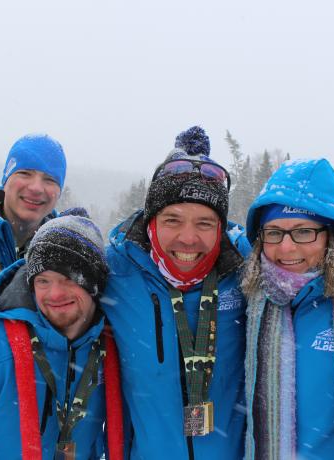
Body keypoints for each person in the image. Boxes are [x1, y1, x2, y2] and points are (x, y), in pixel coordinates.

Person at [102, 126, 250, 460]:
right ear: (151, 222)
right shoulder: (116, 270)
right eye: (172, 220)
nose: (188, 238)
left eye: (204, 223)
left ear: (221, 227)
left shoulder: (246, 270)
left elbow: (308, 272)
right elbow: (51, 289)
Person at [241, 158, 334, 459]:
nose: (286, 247)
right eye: (273, 232)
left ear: (332, 235)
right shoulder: (252, 304)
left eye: (303, 231)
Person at [0, 214, 123, 460]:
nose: (54, 294)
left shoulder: (111, 349)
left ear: (95, 283)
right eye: (43, 281)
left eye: (68, 279)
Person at [0, 133, 67, 321]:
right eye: (25, 173)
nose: (36, 188)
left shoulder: (66, 251)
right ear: (6, 179)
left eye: (49, 179)